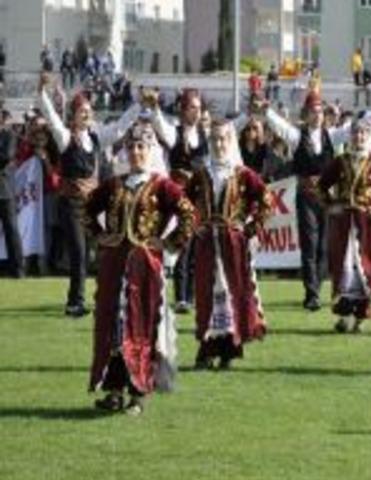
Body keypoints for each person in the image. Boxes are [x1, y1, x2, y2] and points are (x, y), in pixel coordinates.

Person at [84, 123, 195, 415]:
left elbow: (188, 213)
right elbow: (87, 208)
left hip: (145, 269)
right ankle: (114, 391)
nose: (136, 152)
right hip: (113, 268)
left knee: (141, 329)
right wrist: (99, 235)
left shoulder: (162, 185)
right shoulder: (114, 185)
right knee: (112, 330)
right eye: (132, 147)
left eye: (141, 147)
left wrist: (168, 242)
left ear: (151, 151)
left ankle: (138, 393)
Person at [38, 73, 140, 317]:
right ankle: (75, 302)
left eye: (89, 110)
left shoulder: (95, 138)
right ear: (73, 115)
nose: (88, 114)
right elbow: (51, 118)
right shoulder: (65, 138)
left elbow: (119, 128)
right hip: (71, 205)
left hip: (93, 207)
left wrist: (139, 105)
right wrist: (41, 91)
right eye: (82, 111)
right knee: (79, 254)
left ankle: (106, 298)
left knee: (104, 252)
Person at [185, 120, 270, 370]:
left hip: (233, 243)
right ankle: (207, 349)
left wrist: (250, 228)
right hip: (207, 243)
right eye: (214, 139)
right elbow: (184, 205)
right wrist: (194, 226)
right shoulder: (201, 175)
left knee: (233, 293)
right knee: (207, 294)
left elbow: (266, 201)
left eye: (223, 139)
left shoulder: (243, 174)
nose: (219, 144)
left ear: (230, 141)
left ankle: (229, 350)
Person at [261, 91, 353, 311]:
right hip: (305, 197)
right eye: (313, 112)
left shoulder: (331, 136)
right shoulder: (296, 136)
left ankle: (317, 287)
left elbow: (352, 129)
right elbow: (280, 126)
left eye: (320, 112)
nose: (317, 116)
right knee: (309, 244)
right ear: (306, 114)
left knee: (323, 246)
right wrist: (266, 111)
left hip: (326, 198)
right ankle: (311, 293)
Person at [317, 112, 371, 333]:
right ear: (349, 135)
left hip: (366, 224)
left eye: (363, 133)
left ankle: (360, 317)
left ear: (368, 135)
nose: (358, 137)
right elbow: (320, 186)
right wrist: (330, 205)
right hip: (343, 223)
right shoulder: (340, 161)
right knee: (343, 268)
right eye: (355, 132)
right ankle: (343, 316)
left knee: (366, 268)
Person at [151, 88, 210, 314]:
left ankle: (191, 296)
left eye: (198, 107)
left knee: (195, 247)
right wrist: (155, 107)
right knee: (182, 245)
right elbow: (159, 124)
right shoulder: (175, 133)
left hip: (198, 197)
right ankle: (181, 297)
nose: (196, 112)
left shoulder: (204, 134)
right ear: (183, 109)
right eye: (192, 107)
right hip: (178, 196)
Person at [0, 120, 24, 277]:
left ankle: (17, 270)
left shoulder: (9, 135)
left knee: (12, 231)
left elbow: (6, 156)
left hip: (5, 191)